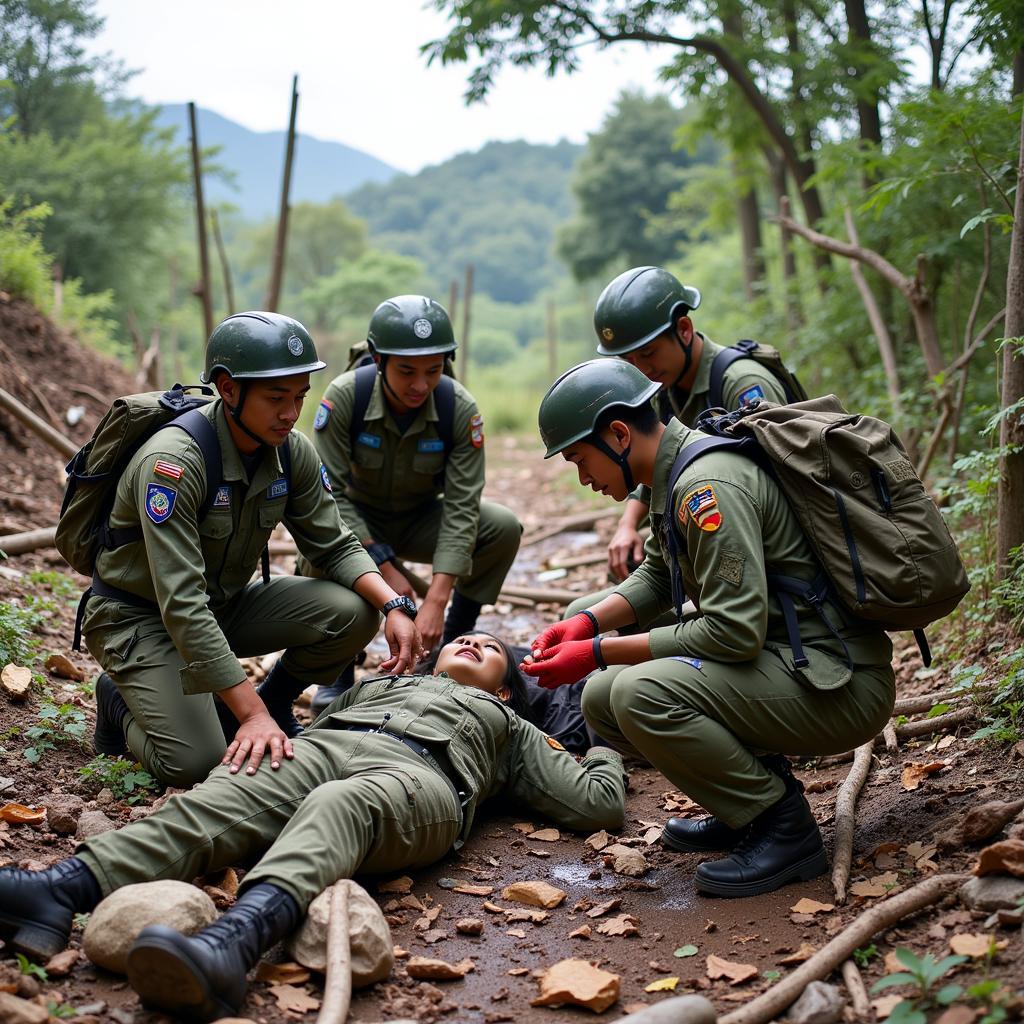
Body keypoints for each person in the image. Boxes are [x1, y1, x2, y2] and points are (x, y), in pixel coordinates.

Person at [0, 633, 626, 1022]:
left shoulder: (510, 726)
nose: (475, 645)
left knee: (339, 806)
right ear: (433, 656)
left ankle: (232, 947)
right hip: (327, 744)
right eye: (465, 638)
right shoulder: (378, 688)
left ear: (508, 691)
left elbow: (595, 804)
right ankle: (61, 889)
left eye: (492, 650)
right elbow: (311, 724)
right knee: (227, 793)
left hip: (419, 778)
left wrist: (599, 747)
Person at [524, 359, 895, 898]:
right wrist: (584, 624)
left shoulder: (707, 485)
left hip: (840, 682)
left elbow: (731, 633)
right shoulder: (675, 471)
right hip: (789, 662)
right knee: (602, 697)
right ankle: (745, 804)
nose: (584, 479)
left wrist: (598, 651)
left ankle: (784, 829)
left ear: (620, 435)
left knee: (635, 691)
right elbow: (656, 575)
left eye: (582, 461)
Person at [83, 311, 423, 788]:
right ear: (227, 388)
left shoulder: (289, 449)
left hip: (219, 608)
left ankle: (276, 697)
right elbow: (181, 602)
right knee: (198, 762)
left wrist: (393, 604)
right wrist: (251, 716)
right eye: (276, 398)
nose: (290, 413)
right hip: (139, 618)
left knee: (354, 610)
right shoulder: (174, 464)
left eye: (299, 397)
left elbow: (334, 542)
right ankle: (120, 703)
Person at [305, 295, 521, 710]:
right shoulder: (345, 397)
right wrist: (385, 571)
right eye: (406, 371)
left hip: (421, 516)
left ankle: (449, 641)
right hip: (357, 518)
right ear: (378, 359)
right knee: (319, 550)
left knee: (502, 527)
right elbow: (325, 499)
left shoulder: (457, 407)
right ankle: (336, 670)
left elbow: (462, 507)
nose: (421, 385)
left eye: (434, 370)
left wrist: (436, 601)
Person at [590, 265, 796, 586]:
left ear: (684, 330)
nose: (641, 370)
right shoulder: (662, 386)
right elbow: (657, 462)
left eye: (648, 353)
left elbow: (785, 482)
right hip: (724, 525)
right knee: (631, 564)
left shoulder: (742, 384)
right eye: (628, 362)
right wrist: (627, 525)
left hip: (767, 546)